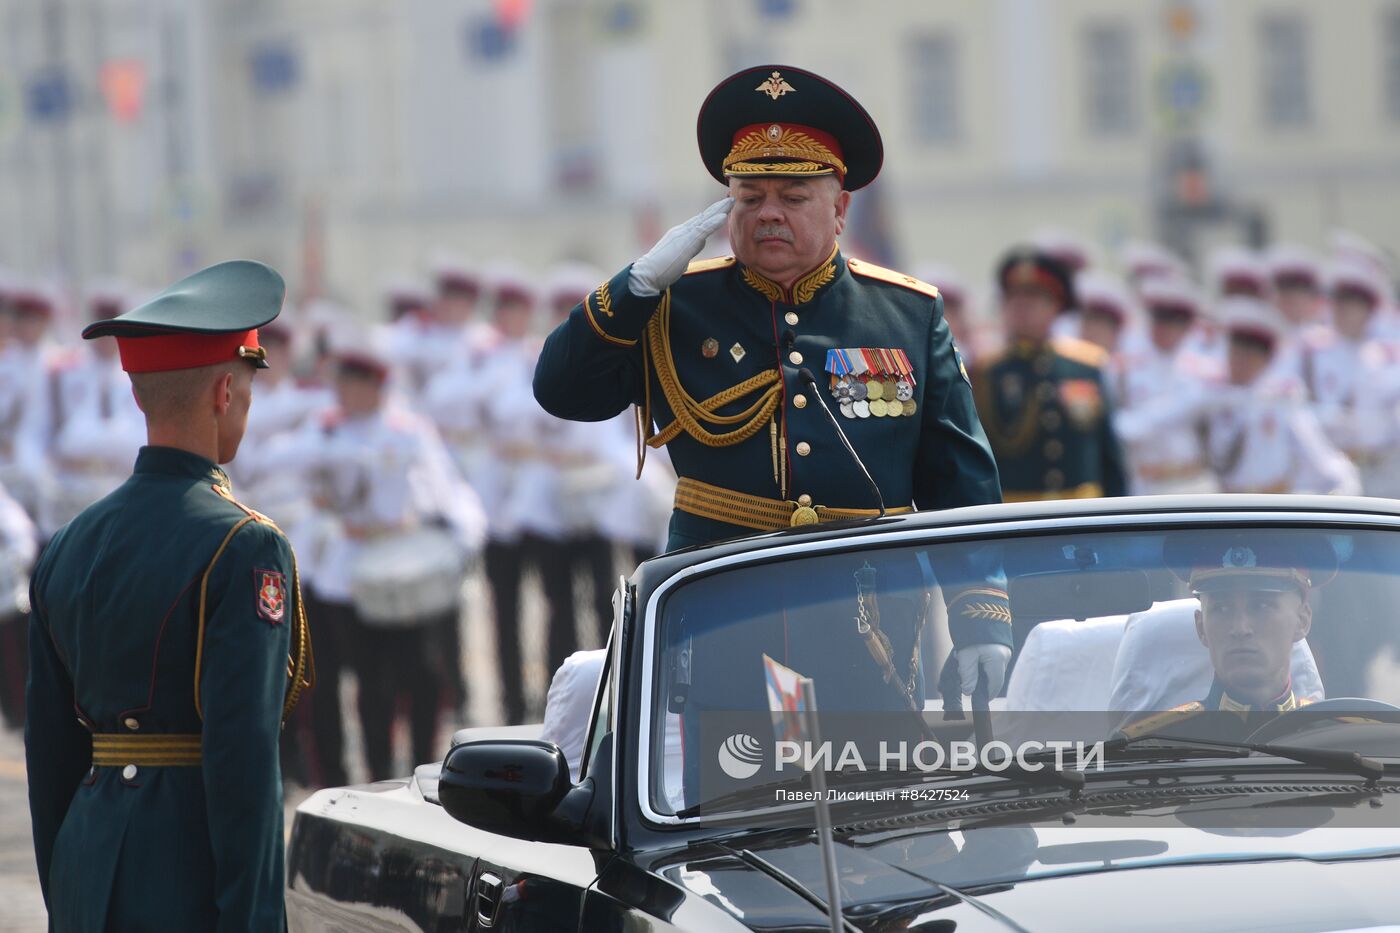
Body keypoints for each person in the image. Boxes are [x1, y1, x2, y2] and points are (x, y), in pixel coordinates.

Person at [534, 65, 1008, 710]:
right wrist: (635, 287)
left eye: (793, 196)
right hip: (722, 598)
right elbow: (564, 393)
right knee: (735, 793)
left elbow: (960, 480)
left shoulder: (904, 313)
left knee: (872, 792)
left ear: (840, 208)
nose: (769, 215)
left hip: (868, 611)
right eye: (749, 197)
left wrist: (980, 616)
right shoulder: (677, 304)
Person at [25, 260, 314, 931]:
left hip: (86, 867)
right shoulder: (245, 545)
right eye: (246, 388)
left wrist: (72, 880)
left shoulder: (67, 546)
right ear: (222, 391)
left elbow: (50, 760)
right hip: (187, 879)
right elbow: (243, 769)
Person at [266, 334, 485, 780]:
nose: (342, 392)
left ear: (375, 386)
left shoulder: (407, 431)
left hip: (399, 565)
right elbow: (275, 462)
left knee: (421, 676)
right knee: (361, 682)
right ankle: (365, 773)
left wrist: (462, 539)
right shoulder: (323, 428)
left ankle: (422, 767)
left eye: (351, 383)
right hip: (343, 569)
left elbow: (445, 487)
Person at [1119, 533, 1334, 740]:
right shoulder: (1157, 747)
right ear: (1201, 627)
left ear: (1302, 621)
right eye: (1221, 608)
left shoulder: (1339, 742)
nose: (1240, 628)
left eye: (1262, 606)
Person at [973, 247, 1128, 502]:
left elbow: (1108, 453)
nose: (1021, 309)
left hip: (1083, 512)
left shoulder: (1086, 365)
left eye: (1033, 300)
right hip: (1017, 516)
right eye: (1014, 300)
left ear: (1055, 306)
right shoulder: (986, 371)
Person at [1203, 298, 1360, 495]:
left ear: (1266, 360)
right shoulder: (1212, 396)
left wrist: (1342, 480)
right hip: (1227, 501)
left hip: (1272, 504)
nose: (1240, 362)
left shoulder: (1280, 400)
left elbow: (1315, 453)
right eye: (1236, 353)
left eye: (1249, 356)